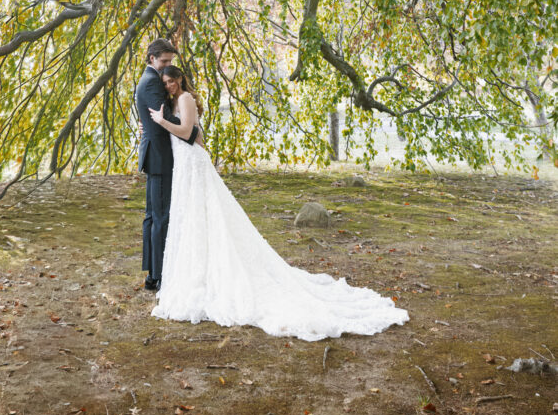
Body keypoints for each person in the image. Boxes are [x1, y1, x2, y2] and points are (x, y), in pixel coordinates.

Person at [148, 66, 409, 341]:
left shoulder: (186, 99)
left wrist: (162, 122)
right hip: (184, 167)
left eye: (173, 80)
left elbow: (189, 133)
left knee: (206, 215)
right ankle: (195, 275)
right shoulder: (172, 101)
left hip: (193, 164)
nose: (170, 86)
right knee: (192, 219)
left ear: (180, 79)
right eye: (166, 82)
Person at [135, 38, 198, 291]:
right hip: (160, 157)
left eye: (170, 62)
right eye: (164, 61)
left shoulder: (146, 79)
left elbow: (152, 117)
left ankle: (153, 275)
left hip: (156, 155)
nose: (167, 67)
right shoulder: (151, 82)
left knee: (153, 217)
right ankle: (159, 276)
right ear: (152, 58)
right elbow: (167, 117)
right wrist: (193, 134)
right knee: (160, 218)